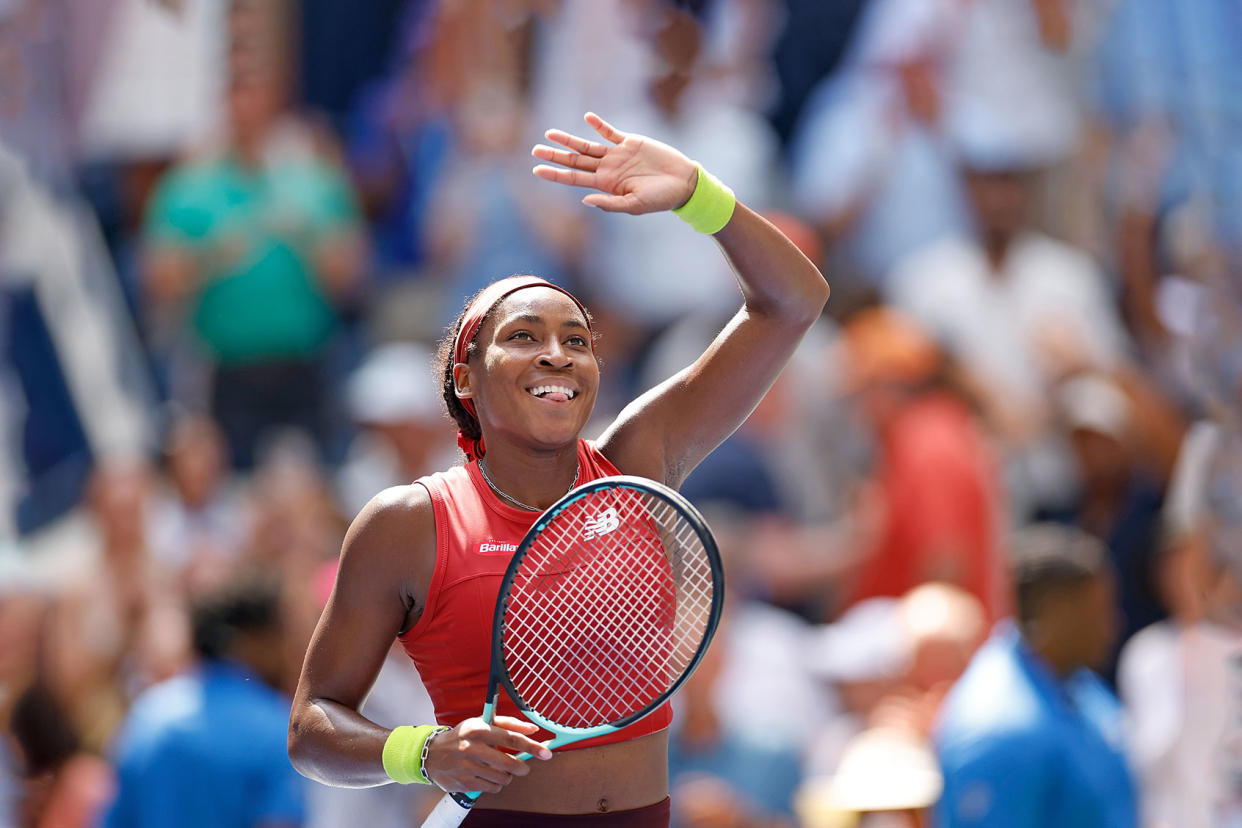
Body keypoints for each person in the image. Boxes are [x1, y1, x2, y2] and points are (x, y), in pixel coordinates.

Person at [287, 111, 830, 824]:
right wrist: (424, 751)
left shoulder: (640, 461)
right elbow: (311, 727)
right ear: (465, 379)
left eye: (577, 339)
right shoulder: (409, 523)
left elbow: (795, 301)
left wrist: (699, 195)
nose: (557, 354)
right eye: (523, 336)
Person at [933, 523, 1138, 828]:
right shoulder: (998, 727)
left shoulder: (1079, 686)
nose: (1112, 627)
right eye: (1097, 612)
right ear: (1057, 613)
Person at [103, 573, 305, 827]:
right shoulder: (278, 729)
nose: (292, 649)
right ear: (249, 641)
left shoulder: (144, 715)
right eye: (282, 634)